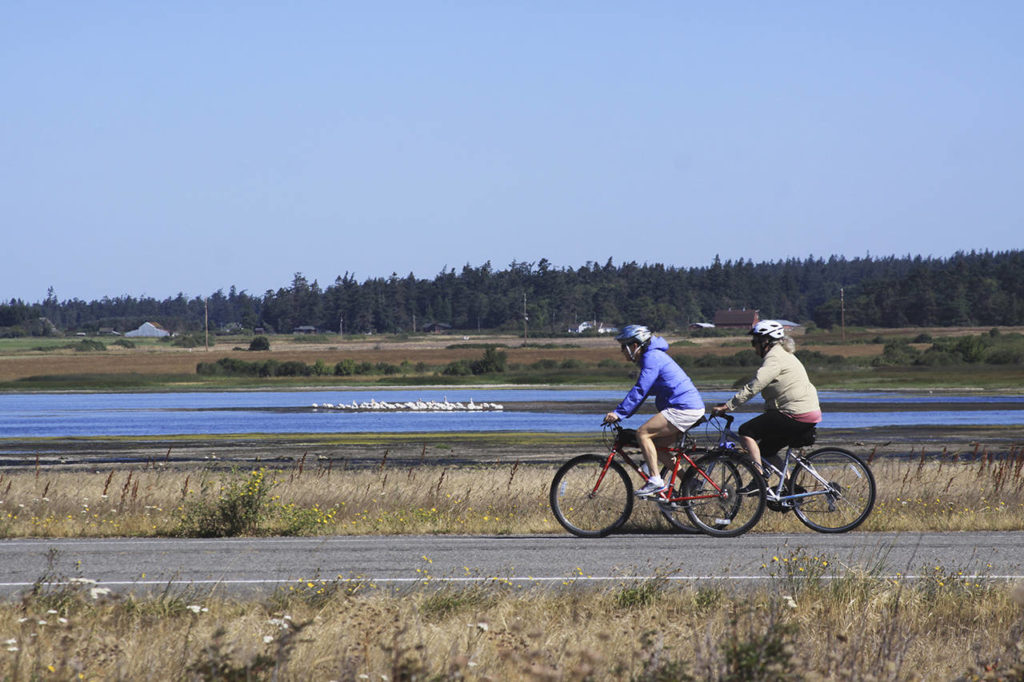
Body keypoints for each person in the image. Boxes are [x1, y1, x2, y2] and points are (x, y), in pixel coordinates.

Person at [711, 320, 822, 479]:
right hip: (804, 412)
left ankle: (758, 479)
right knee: (765, 451)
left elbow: (754, 386)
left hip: (795, 413)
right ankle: (789, 488)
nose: (753, 346)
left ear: (766, 341)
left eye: (754, 341)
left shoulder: (774, 358)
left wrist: (727, 406)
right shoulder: (783, 354)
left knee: (746, 431)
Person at [603, 325, 706, 498]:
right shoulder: (652, 357)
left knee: (642, 434)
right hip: (688, 407)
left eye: (624, 346)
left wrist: (619, 413)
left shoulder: (652, 358)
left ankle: (656, 480)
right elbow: (644, 391)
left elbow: (641, 389)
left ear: (635, 346)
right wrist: (624, 412)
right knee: (658, 446)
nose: (622, 351)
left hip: (683, 408)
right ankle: (691, 482)